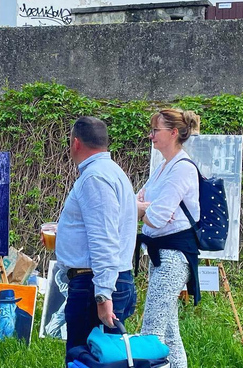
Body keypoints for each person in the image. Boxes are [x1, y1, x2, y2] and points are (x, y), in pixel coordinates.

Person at [55, 116, 137, 354]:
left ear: (76, 143)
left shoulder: (95, 178)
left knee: (84, 358)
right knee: (103, 358)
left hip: (94, 283)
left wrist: (103, 295)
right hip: (105, 279)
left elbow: (104, 238)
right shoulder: (111, 172)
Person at [135, 110, 201, 368]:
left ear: (173, 133)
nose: (151, 135)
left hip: (174, 256)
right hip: (161, 254)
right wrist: (145, 209)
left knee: (151, 332)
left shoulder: (182, 169)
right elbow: (140, 203)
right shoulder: (163, 167)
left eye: (156, 130)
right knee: (169, 333)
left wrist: (144, 209)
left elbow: (157, 217)